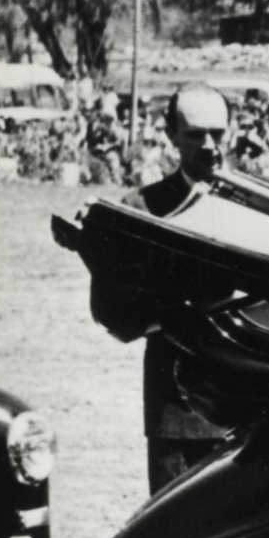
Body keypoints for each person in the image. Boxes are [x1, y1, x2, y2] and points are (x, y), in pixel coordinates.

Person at [90, 86, 235, 489]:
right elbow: (112, 309)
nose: (209, 145)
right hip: (178, 411)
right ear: (171, 135)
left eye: (219, 133)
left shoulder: (264, 205)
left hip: (252, 411)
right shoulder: (139, 208)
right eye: (194, 134)